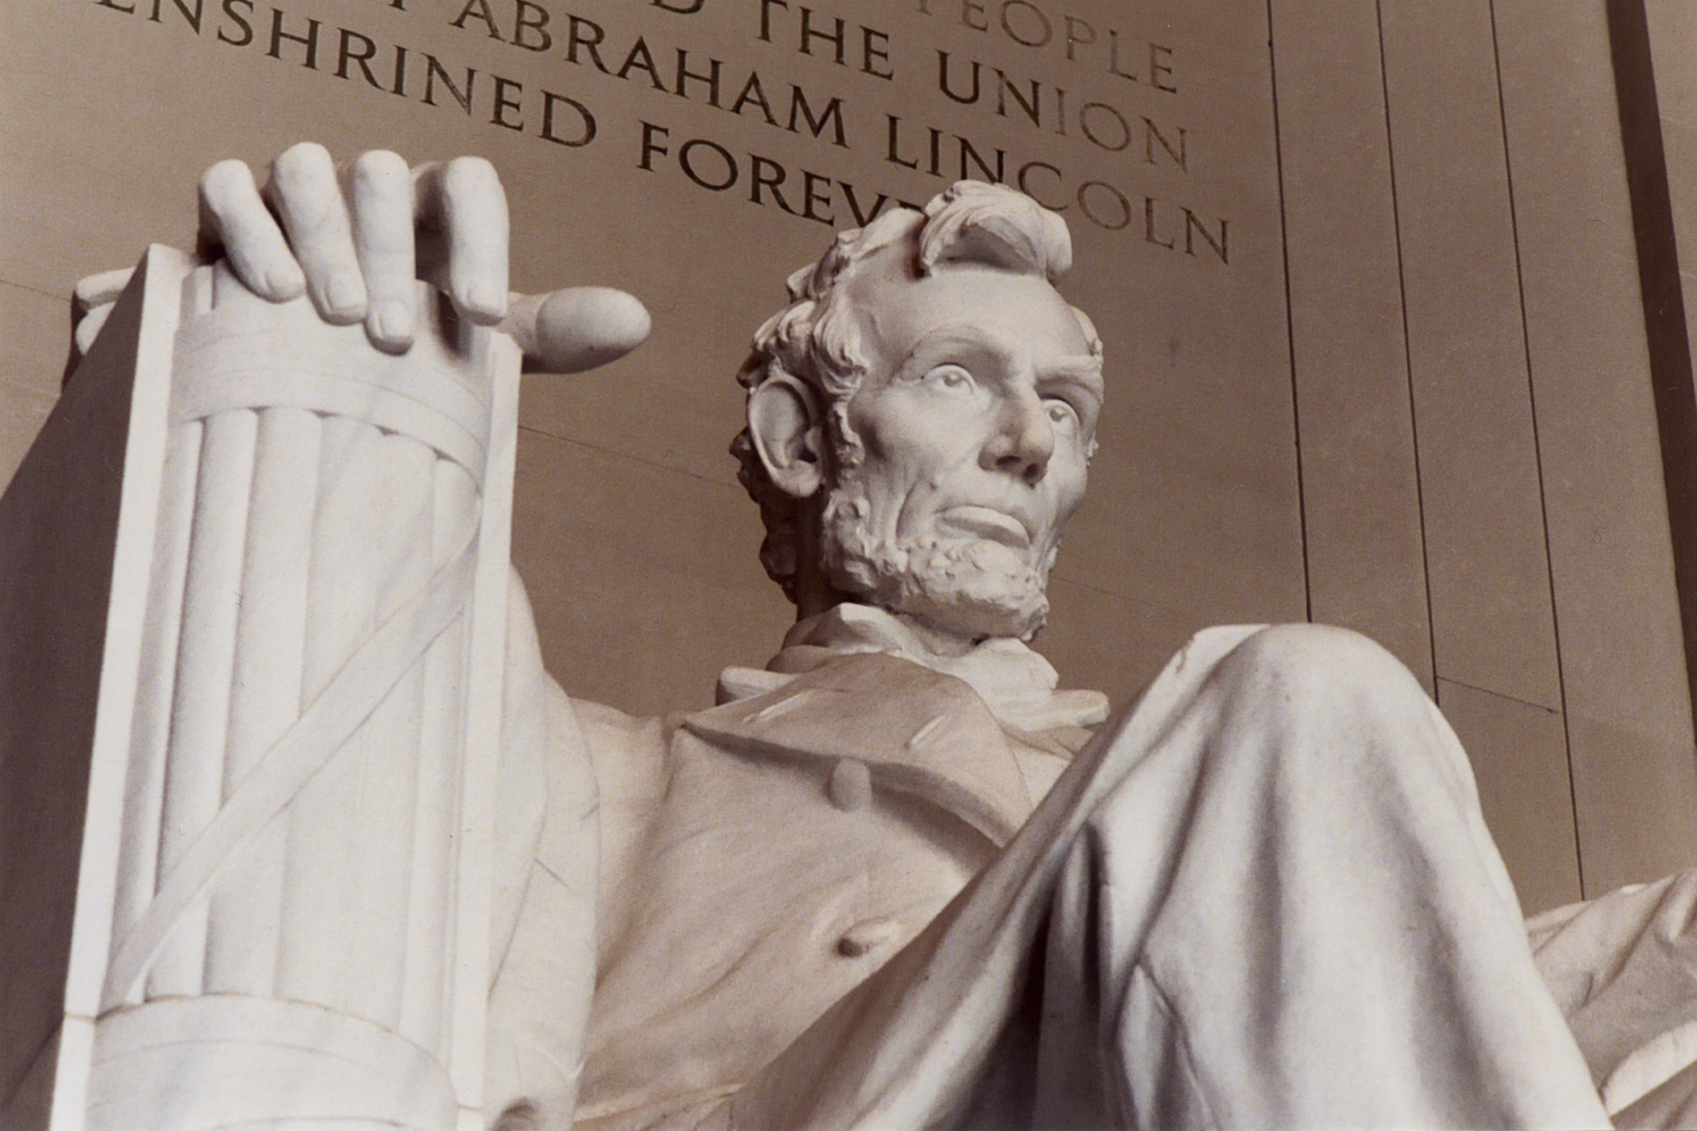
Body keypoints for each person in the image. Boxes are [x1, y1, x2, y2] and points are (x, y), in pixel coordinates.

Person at [164, 143, 1697, 1130]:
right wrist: (319, 380)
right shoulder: (605, 765)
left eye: (1068, 407)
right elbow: (306, 688)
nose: (1031, 443)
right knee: (1293, 688)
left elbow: (1437, 1002)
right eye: (961, 379)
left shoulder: (1197, 789)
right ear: (797, 437)